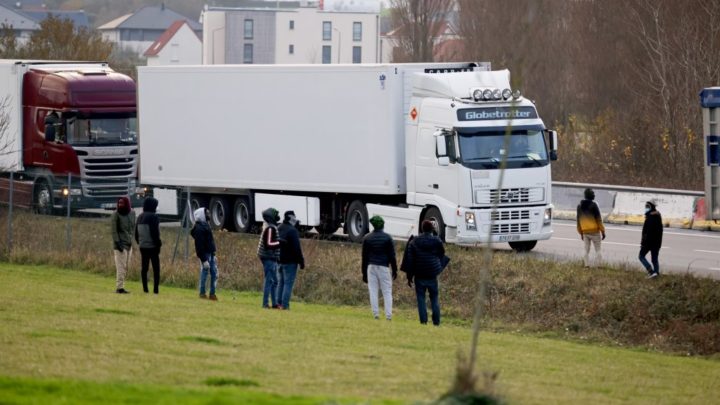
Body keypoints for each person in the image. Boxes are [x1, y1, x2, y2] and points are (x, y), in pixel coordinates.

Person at [404, 220, 446, 326]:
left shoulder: (414, 242)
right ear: (432, 229)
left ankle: (423, 321)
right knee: (434, 298)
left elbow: (410, 260)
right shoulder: (436, 241)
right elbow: (442, 253)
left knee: (421, 299)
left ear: (422, 229)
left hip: (419, 274)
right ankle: (436, 322)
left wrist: (409, 276)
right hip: (432, 273)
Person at [361, 215, 397, 320]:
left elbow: (364, 257)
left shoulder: (367, 238)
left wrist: (364, 273)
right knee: (387, 292)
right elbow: (392, 256)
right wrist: (394, 269)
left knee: (373, 291)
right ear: (382, 225)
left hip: (371, 267)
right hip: (384, 267)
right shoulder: (387, 238)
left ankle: (376, 315)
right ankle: (388, 316)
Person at [277, 210, 305, 310]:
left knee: (281, 283)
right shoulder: (292, 231)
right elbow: (297, 248)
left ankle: (278, 303)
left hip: (279, 260)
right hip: (290, 262)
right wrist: (301, 262)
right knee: (288, 284)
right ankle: (285, 305)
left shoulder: (279, 227)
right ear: (291, 218)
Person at [135, 197, 162, 294]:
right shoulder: (154, 217)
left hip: (143, 246)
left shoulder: (140, 216)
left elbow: (136, 233)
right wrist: (158, 244)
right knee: (156, 268)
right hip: (153, 247)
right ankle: (155, 289)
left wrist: (140, 242)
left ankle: (145, 288)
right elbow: (155, 233)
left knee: (144, 268)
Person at [190, 207, 218, 301]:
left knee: (214, 273)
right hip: (205, 254)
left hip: (210, 253)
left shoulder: (206, 225)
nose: (209, 215)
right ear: (202, 215)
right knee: (205, 272)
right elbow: (199, 246)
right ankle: (202, 293)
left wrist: (213, 253)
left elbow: (210, 241)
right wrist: (204, 259)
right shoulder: (199, 229)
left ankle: (212, 294)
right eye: (207, 213)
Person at [111, 196, 135, 294]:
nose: (120, 205)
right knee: (120, 267)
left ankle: (122, 286)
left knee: (126, 267)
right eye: (119, 203)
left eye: (122, 203)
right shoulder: (116, 214)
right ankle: (119, 288)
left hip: (129, 244)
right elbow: (114, 230)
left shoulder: (132, 213)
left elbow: (133, 227)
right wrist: (118, 243)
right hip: (120, 245)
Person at [257, 207, 281, 308]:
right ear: (271, 217)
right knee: (270, 280)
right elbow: (268, 244)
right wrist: (280, 243)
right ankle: (265, 303)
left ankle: (274, 303)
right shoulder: (270, 228)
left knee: (275, 281)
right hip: (268, 257)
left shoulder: (271, 227)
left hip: (271, 257)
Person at [576, 188, 606, 267]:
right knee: (598, 249)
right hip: (595, 232)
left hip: (585, 231)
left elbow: (578, 221)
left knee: (586, 250)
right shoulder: (594, 205)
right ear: (591, 196)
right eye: (593, 194)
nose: (594, 195)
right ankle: (599, 265)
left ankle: (586, 265)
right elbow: (599, 219)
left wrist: (581, 233)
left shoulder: (579, 206)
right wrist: (603, 231)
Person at [639, 201, 663, 278]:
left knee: (641, 256)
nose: (645, 208)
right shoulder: (658, 217)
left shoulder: (650, 218)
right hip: (657, 243)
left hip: (649, 243)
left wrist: (643, 243)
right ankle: (656, 273)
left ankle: (650, 271)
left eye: (647, 207)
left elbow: (647, 232)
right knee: (654, 259)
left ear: (650, 208)